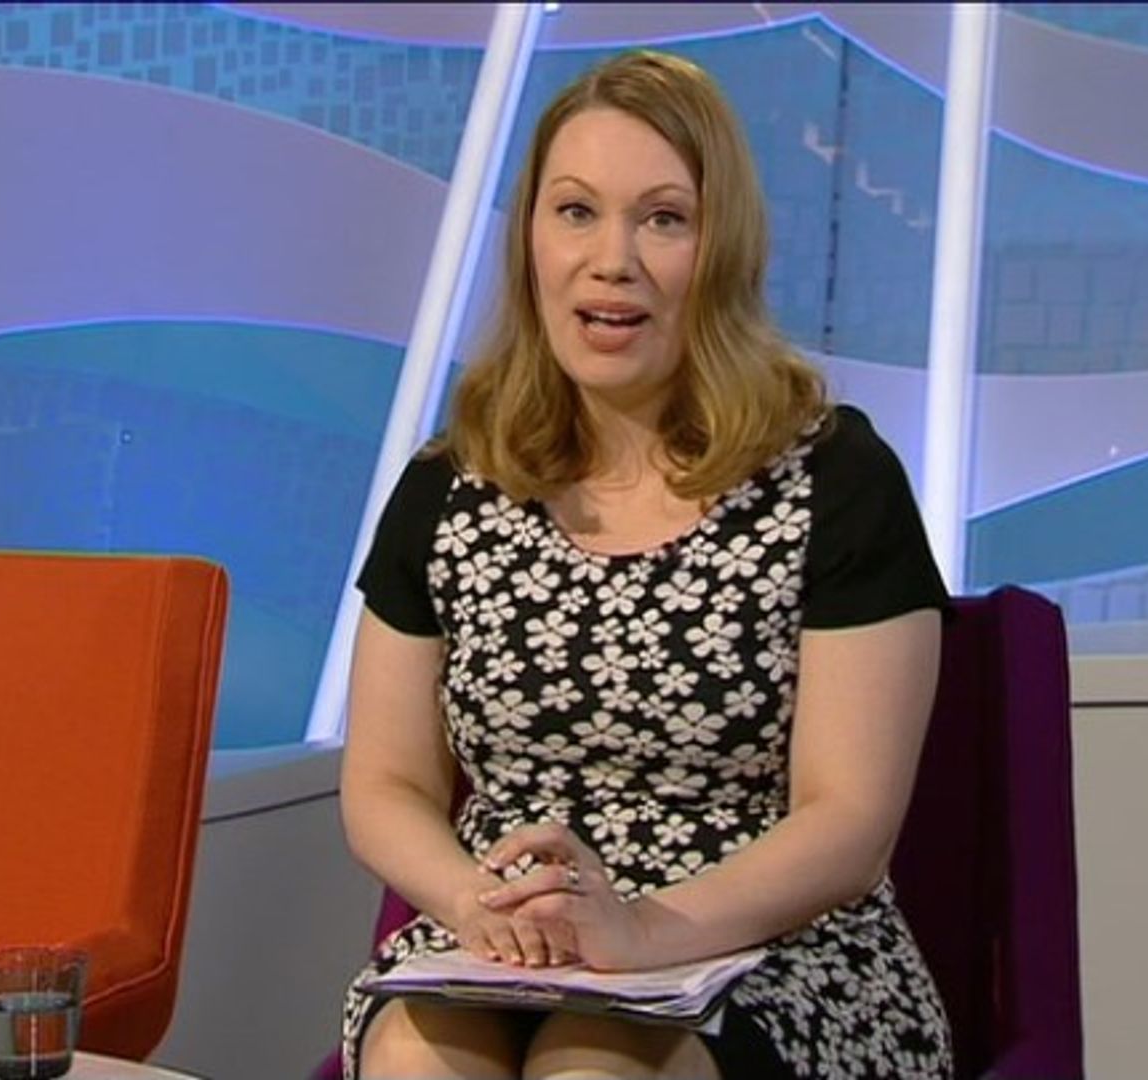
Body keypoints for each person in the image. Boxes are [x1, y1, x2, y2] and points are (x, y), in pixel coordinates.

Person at [337, 49, 954, 1079]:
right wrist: (479, 907)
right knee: (415, 1060)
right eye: (576, 212)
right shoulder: (450, 483)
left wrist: (642, 931)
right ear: (530, 238)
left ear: (723, 249)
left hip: (768, 945)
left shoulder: (835, 476)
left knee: (595, 1069)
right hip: (504, 938)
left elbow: (849, 825)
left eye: (663, 219)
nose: (611, 259)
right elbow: (385, 782)